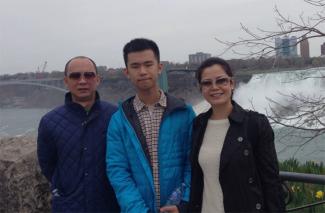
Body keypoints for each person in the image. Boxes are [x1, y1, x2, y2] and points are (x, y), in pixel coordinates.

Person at [106, 38, 195, 213]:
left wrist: (182, 204)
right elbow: (118, 171)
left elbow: (193, 163)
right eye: (135, 66)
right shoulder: (119, 120)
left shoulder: (184, 113)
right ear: (127, 72)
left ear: (159, 68)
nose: (143, 71)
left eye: (148, 64)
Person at [188, 57, 285, 213]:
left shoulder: (255, 124)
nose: (214, 87)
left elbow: (271, 182)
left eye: (221, 81)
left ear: (232, 84)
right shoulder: (198, 125)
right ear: (201, 88)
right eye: (207, 83)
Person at [37, 56, 120, 212]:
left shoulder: (115, 116)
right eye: (75, 76)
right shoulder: (49, 122)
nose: (82, 81)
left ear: (98, 80)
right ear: (66, 81)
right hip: (69, 206)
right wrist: (64, 190)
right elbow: (47, 164)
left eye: (88, 75)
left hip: (110, 205)